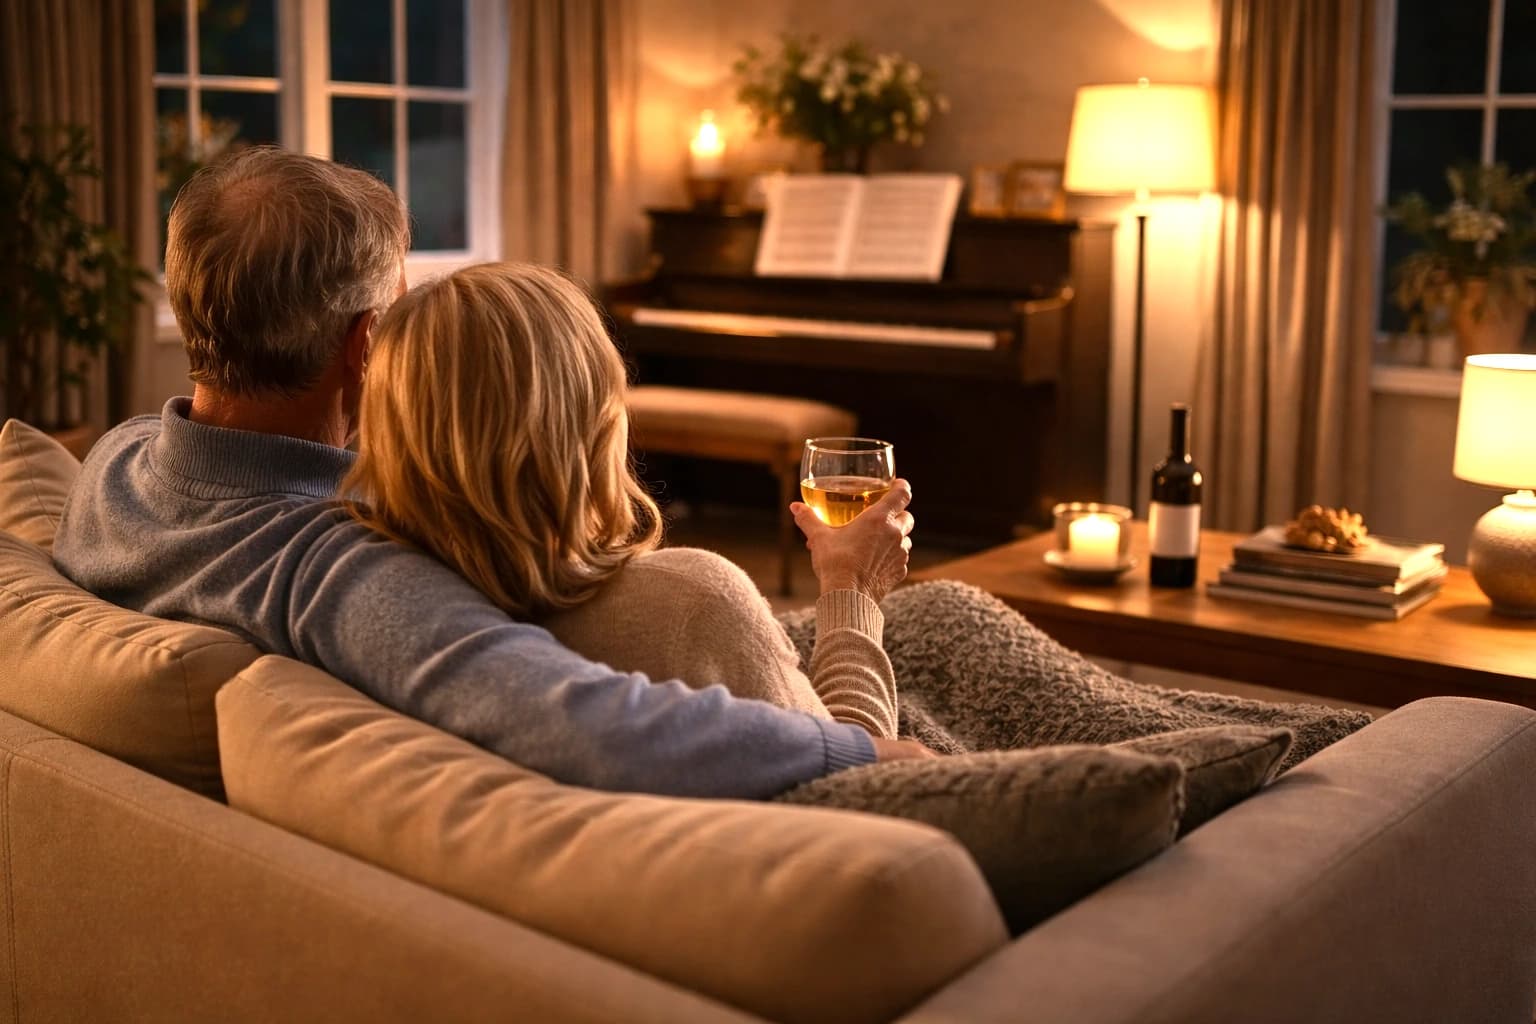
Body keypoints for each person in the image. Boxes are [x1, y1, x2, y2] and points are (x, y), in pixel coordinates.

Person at [51, 147, 932, 802]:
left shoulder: (113, 465)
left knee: (947, 619)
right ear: (367, 347)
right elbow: (578, 721)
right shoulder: (338, 574)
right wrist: (854, 683)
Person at [342, 261, 902, 740]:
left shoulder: (377, 597)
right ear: (588, 422)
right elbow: (863, 782)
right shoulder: (693, 602)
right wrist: (850, 584)